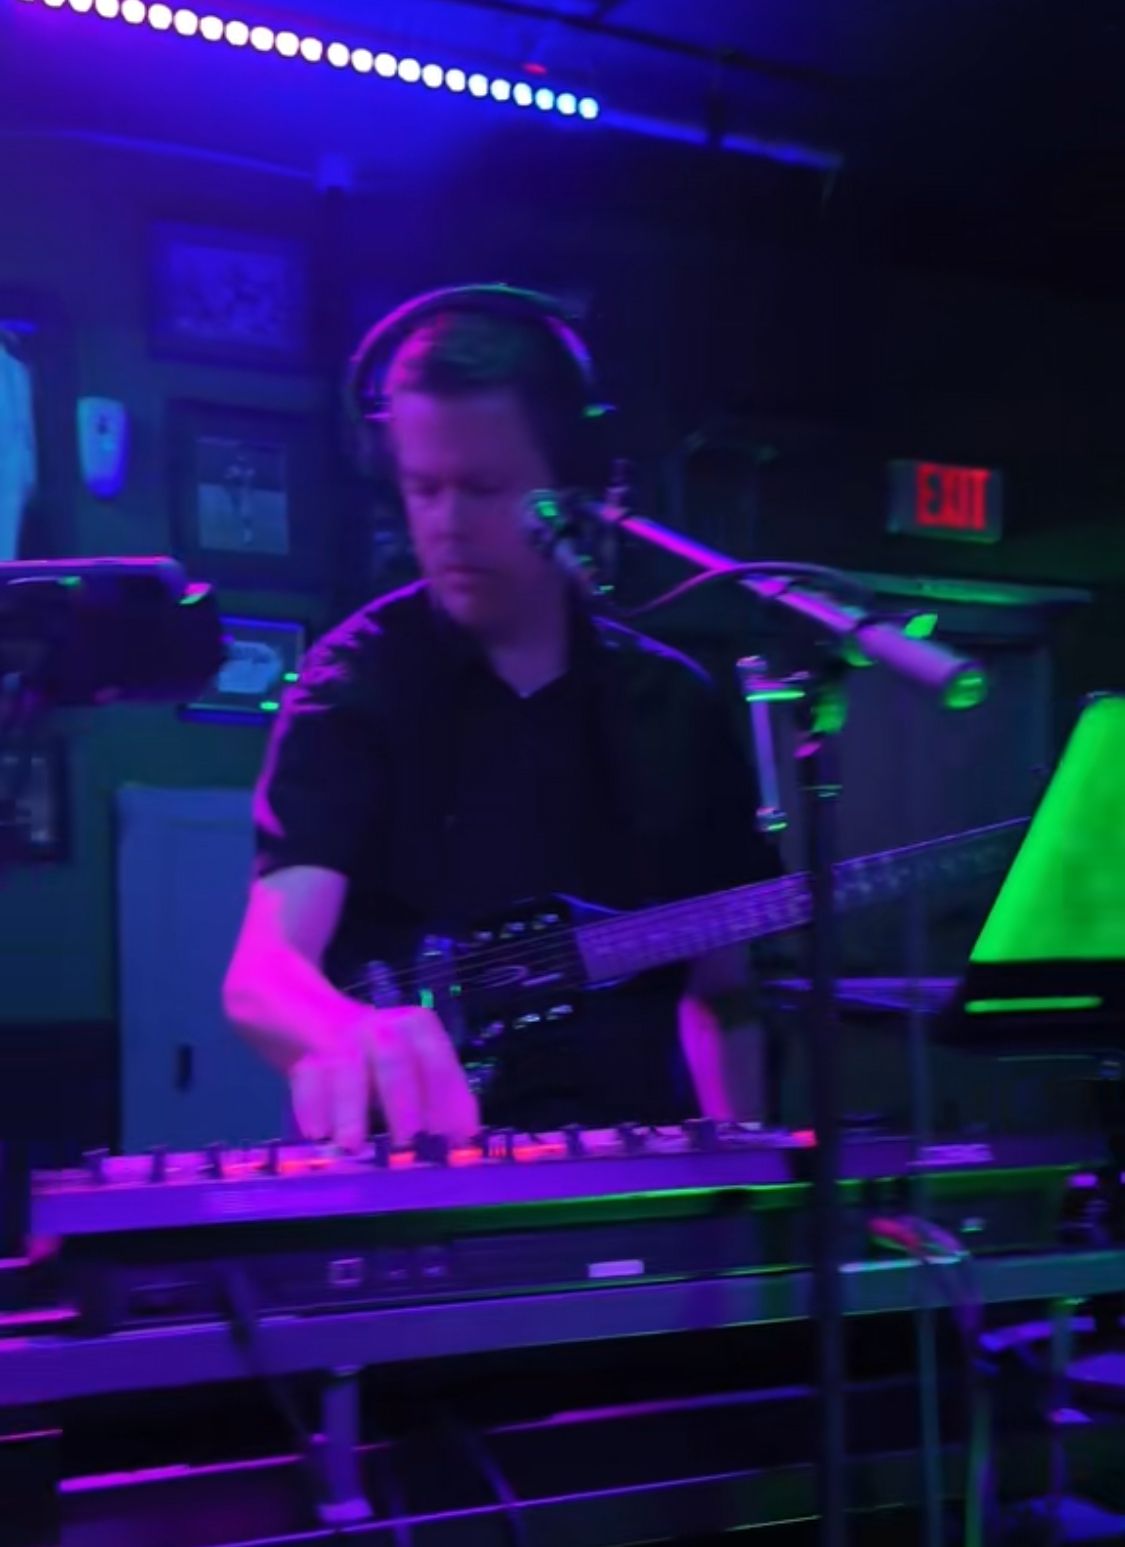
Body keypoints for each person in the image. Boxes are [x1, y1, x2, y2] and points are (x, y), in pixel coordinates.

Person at [223, 286, 781, 1150]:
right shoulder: (355, 680)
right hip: (414, 1171)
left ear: (573, 490)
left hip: (633, 1177)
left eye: (483, 488)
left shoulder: (672, 706)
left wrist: (743, 1170)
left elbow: (722, 994)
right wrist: (348, 1033)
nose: (446, 524)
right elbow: (263, 973)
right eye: (422, 488)